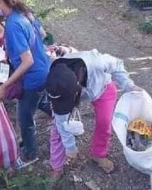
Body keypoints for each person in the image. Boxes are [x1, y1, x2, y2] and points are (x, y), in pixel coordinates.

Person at [0, 0, 52, 162]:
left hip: (32, 76)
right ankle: (62, 118)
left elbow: (27, 61)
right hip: (44, 69)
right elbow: (42, 35)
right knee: (39, 100)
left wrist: (5, 86)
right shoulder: (25, 13)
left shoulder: (12, 24)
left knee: (24, 119)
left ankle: (30, 153)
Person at [45, 49, 141, 180]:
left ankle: (99, 155)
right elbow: (61, 121)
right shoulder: (55, 77)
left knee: (104, 122)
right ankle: (56, 166)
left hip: (103, 89)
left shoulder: (97, 62)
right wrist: (70, 147)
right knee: (57, 129)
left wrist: (129, 85)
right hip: (72, 93)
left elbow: (117, 64)